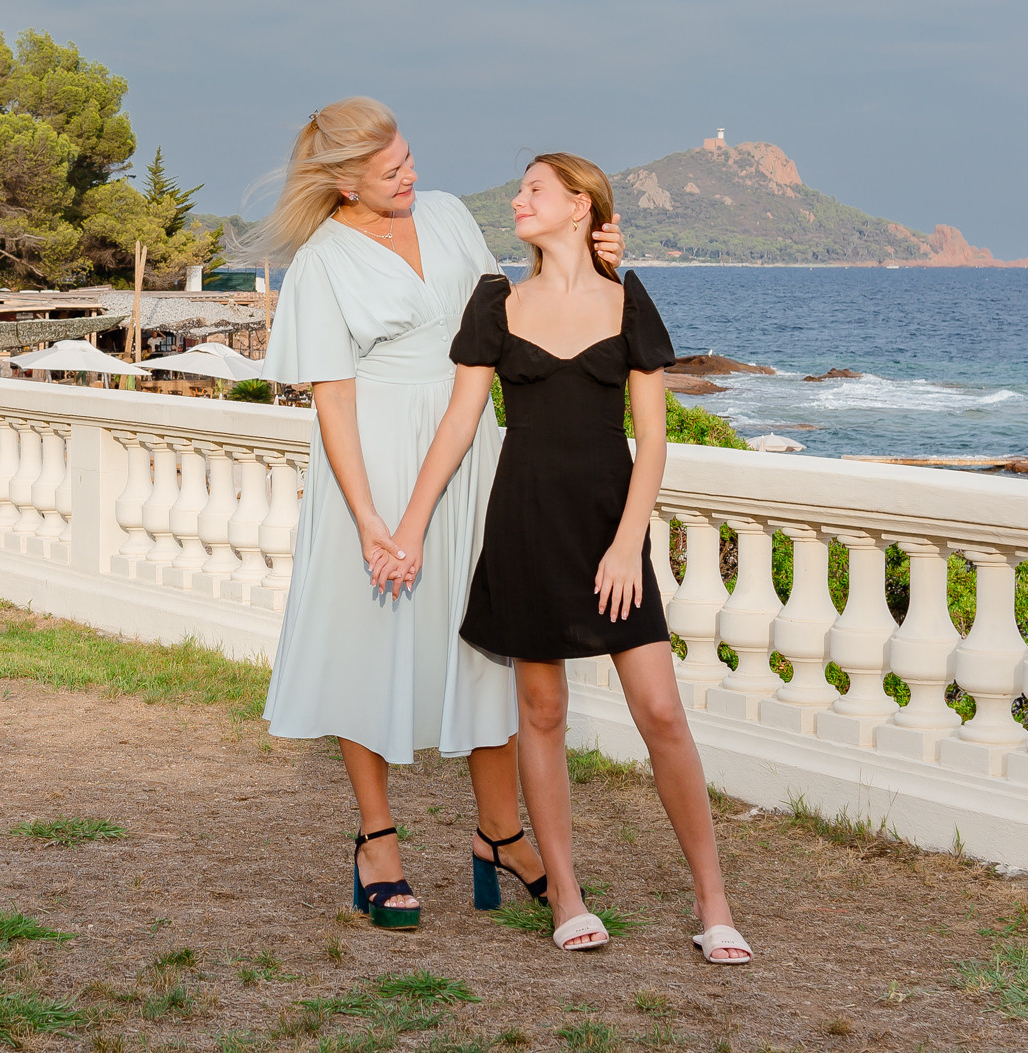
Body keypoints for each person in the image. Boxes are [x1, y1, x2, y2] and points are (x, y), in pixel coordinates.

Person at [257, 99, 620, 931]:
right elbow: (333, 403)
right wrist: (368, 518)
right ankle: (377, 842)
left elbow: (522, 311)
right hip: (375, 466)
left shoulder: (451, 216)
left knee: (488, 638)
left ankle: (501, 833)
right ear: (344, 182)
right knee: (367, 643)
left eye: (409, 156)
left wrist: (598, 259)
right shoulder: (321, 262)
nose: (411, 175)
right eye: (391, 170)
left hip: (473, 453)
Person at [394, 152, 751, 964]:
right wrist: (410, 525)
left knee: (660, 710)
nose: (518, 200)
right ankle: (565, 891)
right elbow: (458, 426)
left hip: (607, 529)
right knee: (543, 712)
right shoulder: (497, 302)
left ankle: (713, 901)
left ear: (581, 206)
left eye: (534, 190)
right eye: (521, 190)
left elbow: (652, 439)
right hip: (525, 526)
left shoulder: (629, 301)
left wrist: (627, 543)